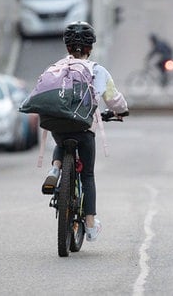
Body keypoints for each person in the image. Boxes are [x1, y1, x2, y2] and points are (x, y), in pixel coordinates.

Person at [42, 21, 129, 241]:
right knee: (88, 175)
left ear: (67, 46)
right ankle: (90, 225)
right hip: (84, 128)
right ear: (90, 47)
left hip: (59, 125)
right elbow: (114, 99)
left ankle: (55, 169)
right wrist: (121, 111)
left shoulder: (56, 67)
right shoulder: (98, 71)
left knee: (60, 142)